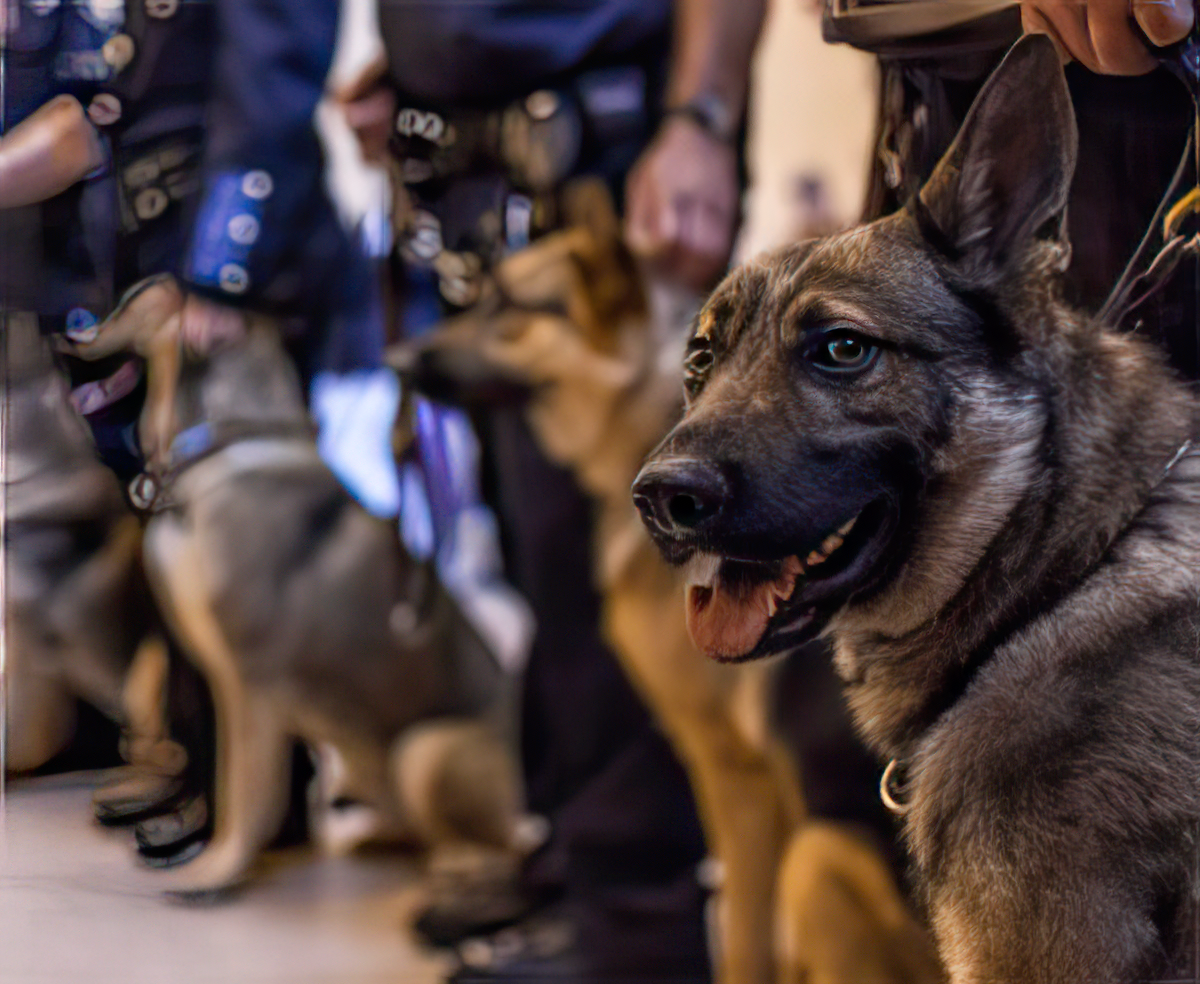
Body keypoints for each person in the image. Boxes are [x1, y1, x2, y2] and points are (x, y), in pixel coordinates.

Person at [341, 1, 765, 979]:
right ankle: (576, 859)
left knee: (605, 574)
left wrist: (700, 119)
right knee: (538, 556)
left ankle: (635, 922)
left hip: (613, 147)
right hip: (473, 166)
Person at [2, 0, 394, 856]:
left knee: (249, 561)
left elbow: (270, 95)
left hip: (244, 281)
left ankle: (264, 797)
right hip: (166, 258)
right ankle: (202, 766)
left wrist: (222, 268)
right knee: (183, 547)